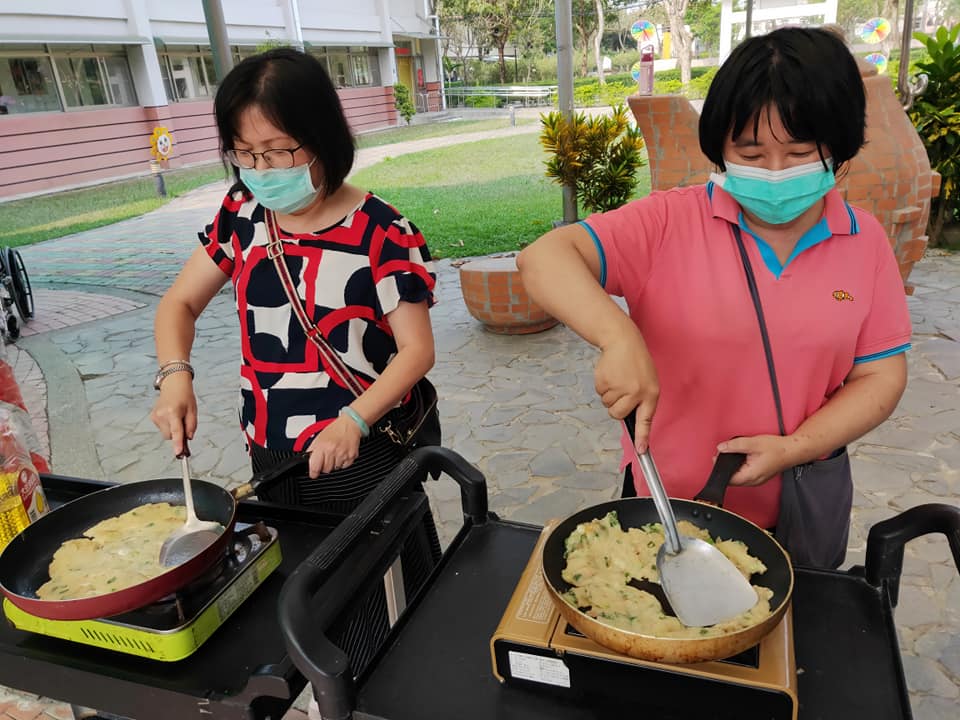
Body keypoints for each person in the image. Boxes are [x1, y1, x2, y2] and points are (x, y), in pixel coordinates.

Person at [517, 27, 910, 565]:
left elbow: (881, 375)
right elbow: (543, 259)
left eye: (798, 153)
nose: (775, 173)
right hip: (665, 507)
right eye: (750, 152)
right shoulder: (667, 223)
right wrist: (618, 337)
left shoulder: (864, 244)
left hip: (799, 505)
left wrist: (793, 450)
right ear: (720, 148)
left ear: (838, 150)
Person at [150, 48, 437, 513]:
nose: (261, 170)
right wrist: (174, 376)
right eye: (245, 153)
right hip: (269, 449)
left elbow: (417, 350)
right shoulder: (242, 213)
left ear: (322, 136)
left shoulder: (381, 230)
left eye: (279, 151)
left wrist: (353, 422)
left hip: (357, 448)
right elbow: (179, 304)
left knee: (380, 577)